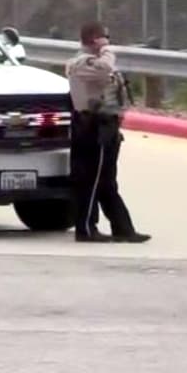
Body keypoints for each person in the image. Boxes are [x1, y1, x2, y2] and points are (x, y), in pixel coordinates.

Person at [64, 20, 151, 244]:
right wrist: (107, 51)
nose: (108, 42)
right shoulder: (83, 63)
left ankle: (122, 227)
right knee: (90, 180)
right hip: (91, 127)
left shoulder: (99, 61)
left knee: (107, 181)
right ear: (94, 39)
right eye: (104, 37)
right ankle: (86, 228)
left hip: (107, 126)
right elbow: (105, 71)